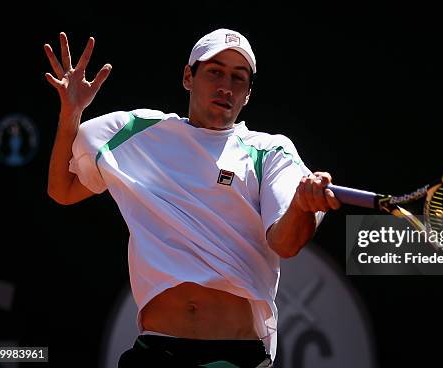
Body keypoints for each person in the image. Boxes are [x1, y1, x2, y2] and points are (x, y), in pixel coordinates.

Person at [44, 28, 340, 367]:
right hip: (155, 351)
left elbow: (286, 243)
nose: (226, 87)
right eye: (215, 72)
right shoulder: (131, 132)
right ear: (188, 76)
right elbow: (62, 190)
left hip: (233, 357)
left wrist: (302, 207)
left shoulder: (270, 152)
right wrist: (70, 115)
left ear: (247, 94)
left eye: (238, 78)